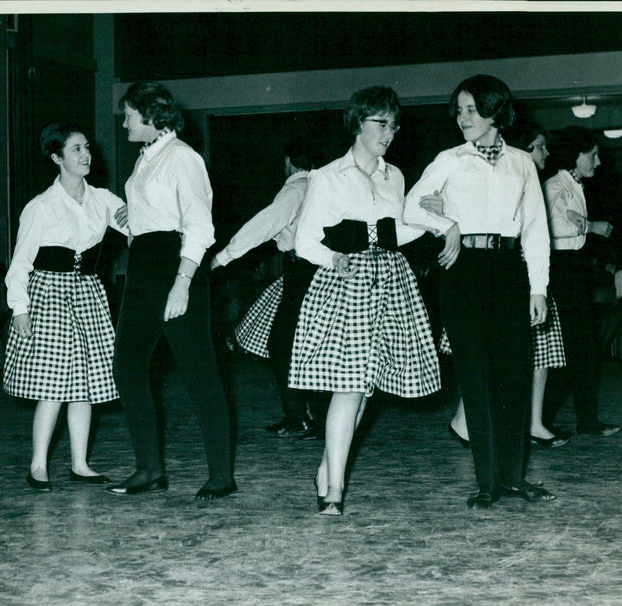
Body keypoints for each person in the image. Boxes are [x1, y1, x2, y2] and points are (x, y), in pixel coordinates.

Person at [288, 86, 446, 516]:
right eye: (380, 123)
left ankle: (327, 470)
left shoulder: (394, 176)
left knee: (365, 389)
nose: (389, 133)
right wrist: (335, 258)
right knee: (350, 386)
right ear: (358, 123)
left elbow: (398, 232)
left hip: (391, 283)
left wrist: (436, 222)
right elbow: (305, 242)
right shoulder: (327, 176)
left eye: (394, 125)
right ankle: (334, 489)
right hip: (347, 284)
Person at [404, 74, 555, 509]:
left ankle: (513, 478)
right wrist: (446, 224)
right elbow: (410, 206)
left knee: (513, 376)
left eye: (472, 109)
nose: (462, 117)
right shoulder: (449, 159)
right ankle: (487, 482)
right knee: (477, 378)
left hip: (510, 270)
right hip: (463, 270)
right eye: (459, 109)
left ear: (495, 110)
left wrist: (538, 288)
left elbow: (536, 230)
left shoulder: (523, 162)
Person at [106, 81, 236, 500]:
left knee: (200, 374)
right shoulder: (146, 158)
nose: (123, 121)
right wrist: (134, 215)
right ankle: (149, 469)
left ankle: (221, 475)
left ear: (149, 116)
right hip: (143, 267)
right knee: (126, 365)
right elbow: (154, 215)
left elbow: (199, 224)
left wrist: (182, 284)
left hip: (176, 267)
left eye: (128, 115)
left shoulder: (183, 158)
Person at [3, 122, 127, 491]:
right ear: (57, 157)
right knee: (54, 385)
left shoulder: (104, 199)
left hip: (88, 292)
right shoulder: (40, 207)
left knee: (85, 384)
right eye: (75, 149)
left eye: (86, 147)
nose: (85, 154)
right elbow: (21, 261)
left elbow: (137, 225)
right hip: (49, 295)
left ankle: (80, 463)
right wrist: (19, 308)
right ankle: (38, 465)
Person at [446, 121, 569, 449]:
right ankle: (479, 423)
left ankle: (519, 424)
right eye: (539, 146)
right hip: (508, 277)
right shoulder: (506, 177)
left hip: (527, 277)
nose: (545, 153)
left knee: (529, 356)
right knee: (498, 356)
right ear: (524, 149)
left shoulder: (528, 178)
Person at [211, 138, 326, 440]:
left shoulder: (295, 189)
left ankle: (301, 417)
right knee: (302, 343)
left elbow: (262, 226)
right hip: (316, 269)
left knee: (282, 342)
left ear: (289, 160)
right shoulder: (323, 185)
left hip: (304, 271)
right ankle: (309, 415)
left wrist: (222, 258)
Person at [541, 126, 620, 437]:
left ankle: (585, 421)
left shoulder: (574, 186)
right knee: (568, 349)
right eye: (593, 155)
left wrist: (581, 224)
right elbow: (549, 223)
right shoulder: (554, 185)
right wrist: (589, 226)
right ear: (575, 155)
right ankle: (540, 422)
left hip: (574, 269)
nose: (597, 162)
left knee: (583, 348)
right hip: (560, 272)